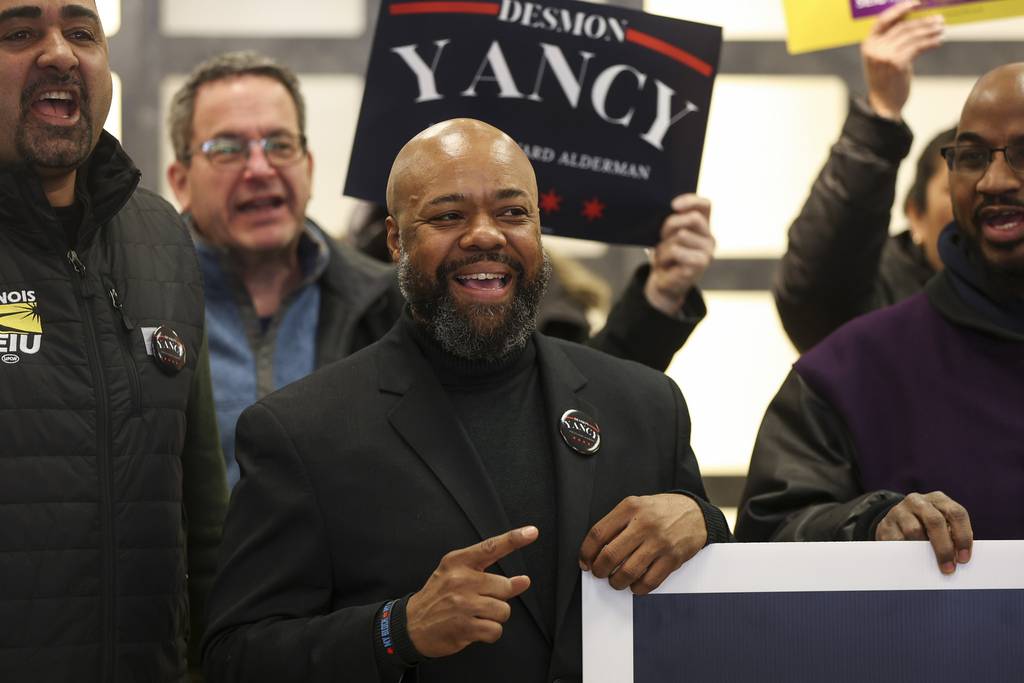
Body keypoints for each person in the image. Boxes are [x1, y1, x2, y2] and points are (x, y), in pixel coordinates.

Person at [202, 118, 731, 682]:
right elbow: (236, 656)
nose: (486, 235)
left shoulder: (649, 405)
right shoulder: (300, 432)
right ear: (396, 240)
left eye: (511, 213)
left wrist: (705, 523)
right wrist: (396, 630)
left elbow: (716, 601)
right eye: (449, 215)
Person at [167, 51, 716, 488]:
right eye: (228, 148)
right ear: (180, 178)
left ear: (308, 166)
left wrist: (658, 300)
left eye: (279, 144)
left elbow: (553, 403)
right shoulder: (145, 309)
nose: (260, 168)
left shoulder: (403, 295)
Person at [0, 1, 227, 681]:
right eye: (18, 32)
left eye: (81, 32)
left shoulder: (160, 236)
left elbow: (205, 513)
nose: (61, 54)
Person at [736, 63, 1024, 574]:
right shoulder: (846, 372)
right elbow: (763, 551)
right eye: (973, 156)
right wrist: (869, 525)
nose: (994, 180)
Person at [774, 1, 953, 351]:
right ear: (915, 215)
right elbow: (812, 296)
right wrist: (880, 116)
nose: (988, 193)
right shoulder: (880, 298)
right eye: (958, 188)